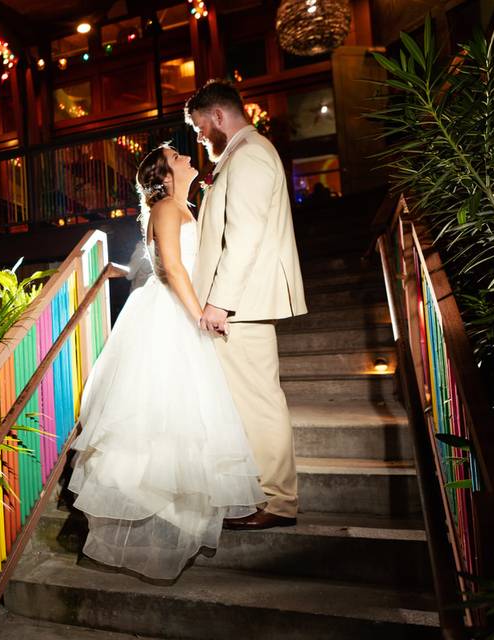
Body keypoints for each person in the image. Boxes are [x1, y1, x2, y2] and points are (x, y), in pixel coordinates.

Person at [67, 143, 266, 581]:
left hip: (177, 308)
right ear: (164, 172)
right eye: (177, 155)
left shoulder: (181, 206)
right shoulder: (166, 207)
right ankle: (156, 520)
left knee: (188, 415)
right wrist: (199, 315)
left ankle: (181, 516)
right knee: (159, 414)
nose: (186, 156)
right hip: (168, 313)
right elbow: (173, 268)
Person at [185, 80, 308, 530]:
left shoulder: (252, 154)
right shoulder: (239, 156)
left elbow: (245, 237)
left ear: (218, 116)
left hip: (243, 305)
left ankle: (278, 501)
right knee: (245, 402)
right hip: (238, 304)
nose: (200, 138)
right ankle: (260, 493)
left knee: (259, 402)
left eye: (200, 127)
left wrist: (220, 303)